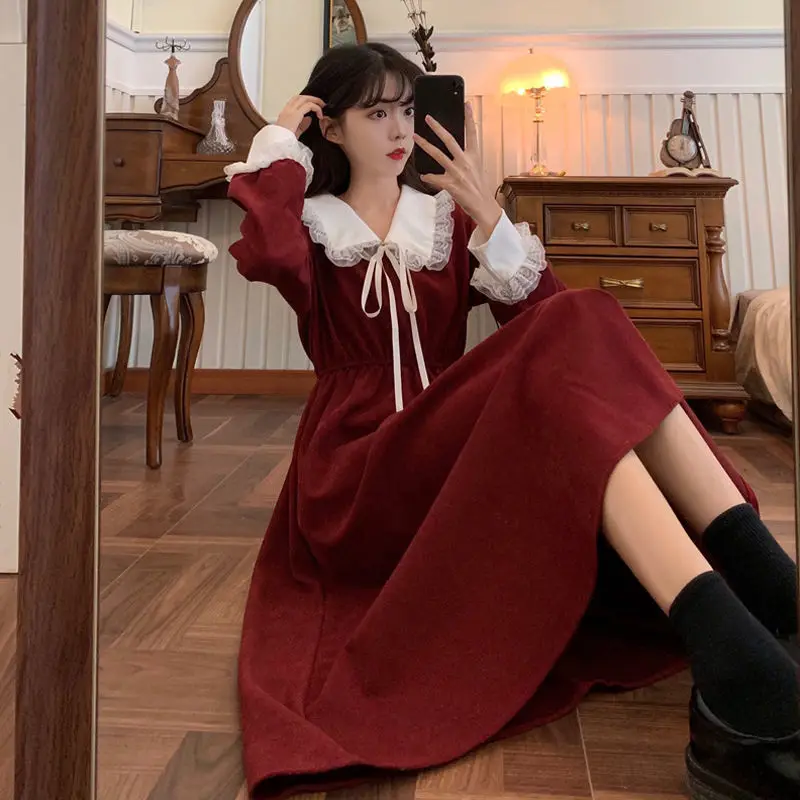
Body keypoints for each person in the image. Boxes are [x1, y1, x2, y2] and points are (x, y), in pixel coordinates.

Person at [224, 42, 800, 800]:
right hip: (356, 470)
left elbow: (556, 327)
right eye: (375, 112)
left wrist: (489, 216)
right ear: (330, 128)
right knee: (576, 332)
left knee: (581, 324)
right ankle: (765, 608)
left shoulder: (442, 223)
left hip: (443, 446)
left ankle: (764, 604)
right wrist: (278, 142)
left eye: (407, 109)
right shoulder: (308, 224)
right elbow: (267, 253)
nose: (400, 129)